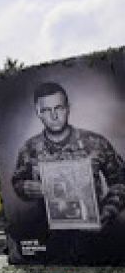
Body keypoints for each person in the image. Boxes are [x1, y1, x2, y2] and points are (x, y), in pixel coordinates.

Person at [11, 81, 125, 226]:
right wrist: (25, 188)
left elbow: (121, 182)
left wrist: (107, 212)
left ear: (68, 108)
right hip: (49, 233)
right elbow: (18, 181)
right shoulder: (29, 148)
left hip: (96, 230)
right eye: (46, 110)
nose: (54, 115)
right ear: (38, 113)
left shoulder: (96, 142)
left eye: (59, 108)